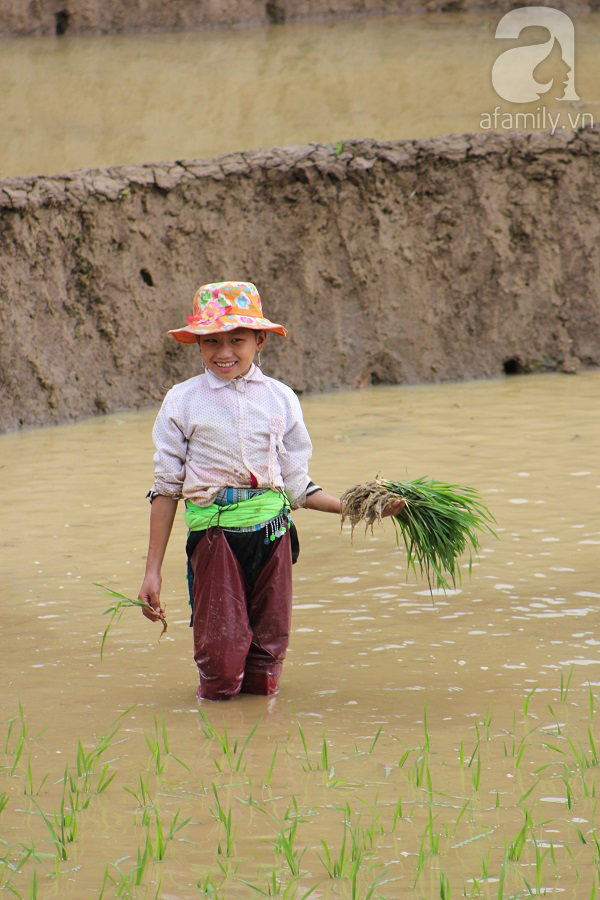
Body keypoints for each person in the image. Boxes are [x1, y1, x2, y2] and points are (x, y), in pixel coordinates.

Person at [138, 281, 402, 700]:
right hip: (214, 537)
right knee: (221, 666)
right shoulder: (182, 401)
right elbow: (166, 489)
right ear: (199, 344)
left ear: (260, 340)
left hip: (273, 536)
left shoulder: (281, 399)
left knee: (266, 665)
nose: (223, 352)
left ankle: (260, 748)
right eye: (211, 341)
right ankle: (218, 746)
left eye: (236, 340)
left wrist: (363, 507)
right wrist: (152, 571)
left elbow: (298, 486)